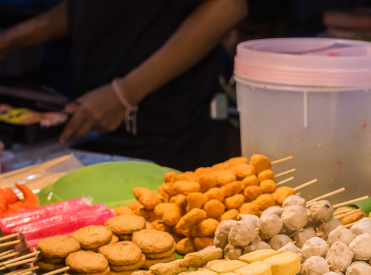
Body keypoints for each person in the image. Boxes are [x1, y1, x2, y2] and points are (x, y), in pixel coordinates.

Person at [0, 0, 247, 170]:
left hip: (169, 124)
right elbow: (87, 8)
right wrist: (9, 41)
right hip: (99, 120)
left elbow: (227, 6)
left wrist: (125, 93)